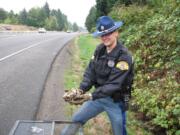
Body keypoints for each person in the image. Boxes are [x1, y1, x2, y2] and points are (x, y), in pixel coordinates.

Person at [61, 16, 134, 135]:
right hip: (98, 97)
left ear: (116, 32)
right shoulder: (99, 50)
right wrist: (80, 90)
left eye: (108, 33)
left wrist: (89, 96)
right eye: (102, 34)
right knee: (76, 119)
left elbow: (113, 84)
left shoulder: (124, 57)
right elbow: (90, 73)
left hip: (116, 101)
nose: (105, 37)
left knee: (119, 131)